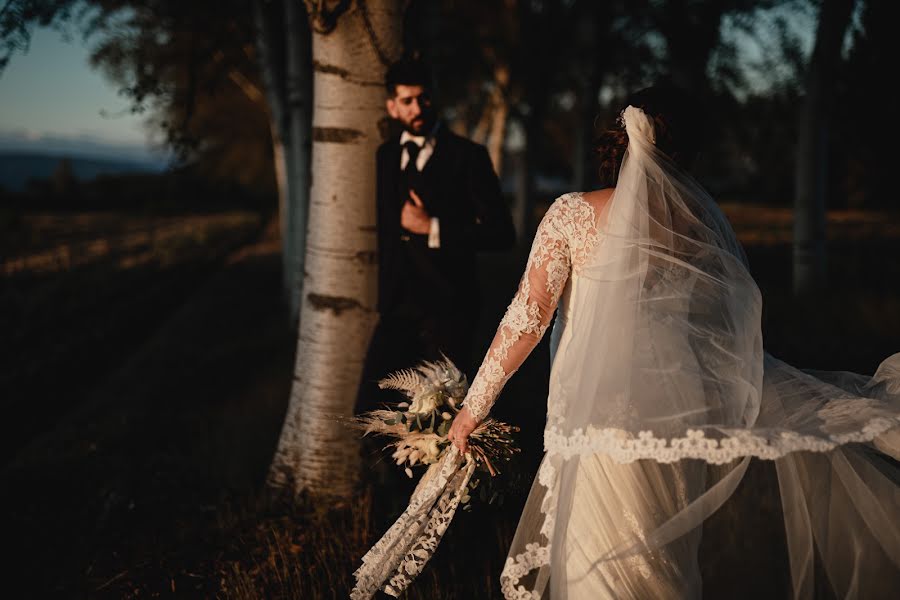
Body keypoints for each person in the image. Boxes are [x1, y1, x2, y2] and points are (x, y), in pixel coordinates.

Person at [437, 84, 900, 599]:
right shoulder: (697, 225)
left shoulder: (572, 214)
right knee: (665, 569)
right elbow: (713, 333)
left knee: (602, 573)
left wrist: (473, 407)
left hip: (596, 427)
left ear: (618, 141)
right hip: (673, 426)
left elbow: (528, 316)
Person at [355, 57, 516, 414]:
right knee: (370, 409)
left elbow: (502, 234)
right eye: (408, 101)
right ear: (392, 106)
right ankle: (394, 473)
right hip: (396, 307)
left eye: (423, 98)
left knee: (438, 417)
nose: (418, 108)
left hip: (450, 309)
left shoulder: (468, 156)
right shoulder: (385, 156)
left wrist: (433, 228)